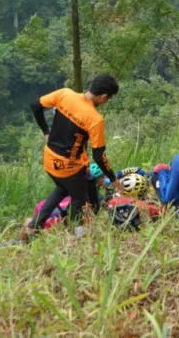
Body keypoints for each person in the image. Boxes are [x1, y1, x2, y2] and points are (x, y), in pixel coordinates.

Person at [21, 74, 119, 239]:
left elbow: (35, 105)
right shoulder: (95, 119)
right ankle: (77, 234)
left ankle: (33, 227)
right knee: (78, 198)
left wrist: (46, 131)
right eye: (107, 99)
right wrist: (113, 178)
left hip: (49, 159)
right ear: (103, 96)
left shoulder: (65, 94)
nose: (106, 101)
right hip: (70, 167)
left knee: (62, 189)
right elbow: (99, 156)